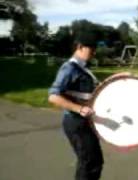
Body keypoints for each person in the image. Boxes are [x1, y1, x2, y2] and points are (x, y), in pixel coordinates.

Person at [48, 31, 103, 180]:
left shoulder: (82, 68)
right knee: (90, 162)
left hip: (84, 122)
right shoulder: (69, 68)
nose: (94, 52)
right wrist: (79, 108)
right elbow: (53, 96)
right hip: (75, 122)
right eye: (91, 48)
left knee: (92, 161)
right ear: (80, 47)